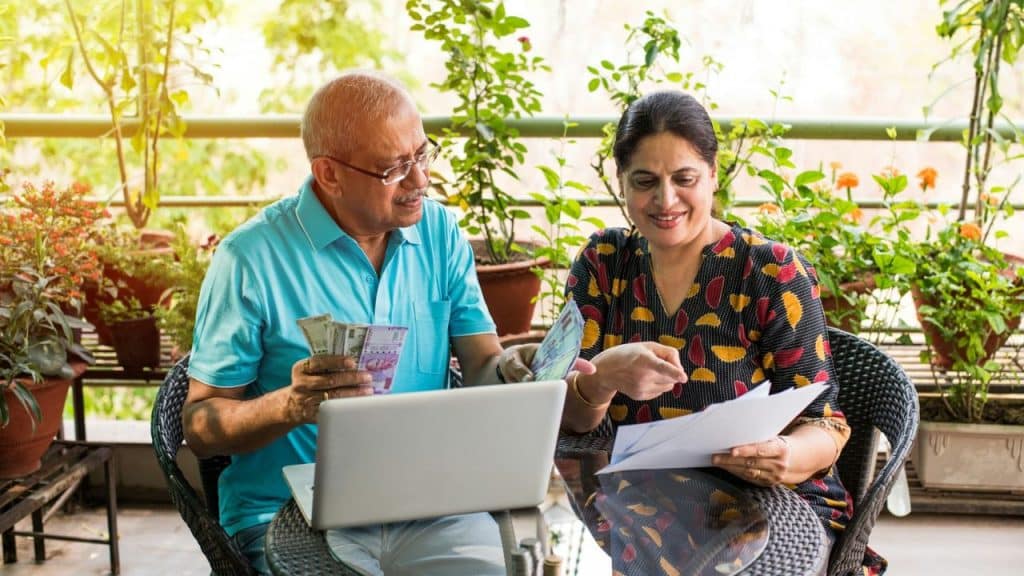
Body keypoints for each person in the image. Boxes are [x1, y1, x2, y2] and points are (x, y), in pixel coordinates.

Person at [502, 90, 886, 574]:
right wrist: (601, 377)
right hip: (637, 499)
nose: (665, 200)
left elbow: (826, 426)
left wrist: (786, 454)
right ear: (620, 180)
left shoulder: (769, 272)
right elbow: (571, 422)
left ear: (713, 174)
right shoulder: (605, 263)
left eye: (684, 179)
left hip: (767, 497)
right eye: (645, 181)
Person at [182, 71, 530, 576]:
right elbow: (200, 428)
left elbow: (482, 364)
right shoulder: (249, 260)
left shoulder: (439, 232)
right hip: (287, 511)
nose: (421, 181)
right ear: (329, 174)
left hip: (422, 500)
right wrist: (289, 405)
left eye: (421, 155)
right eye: (394, 169)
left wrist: (518, 370)